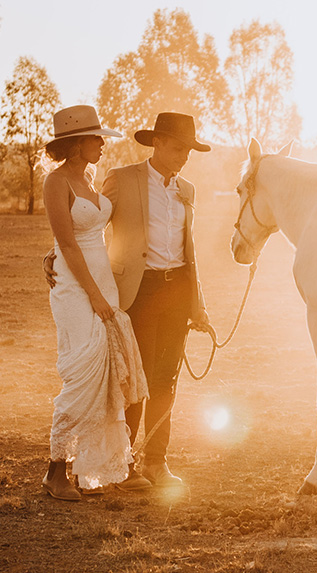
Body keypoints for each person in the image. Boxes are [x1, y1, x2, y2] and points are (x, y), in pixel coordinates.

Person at [100, 112, 214, 488]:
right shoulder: (123, 179)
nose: (184, 157)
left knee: (167, 379)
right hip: (140, 290)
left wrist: (197, 306)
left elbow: (189, 250)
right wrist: (56, 255)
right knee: (136, 379)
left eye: (189, 151)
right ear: (158, 143)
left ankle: (155, 462)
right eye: (179, 148)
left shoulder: (188, 191)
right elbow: (86, 224)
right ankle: (122, 464)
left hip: (178, 290)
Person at [40, 105, 147, 503]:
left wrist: (105, 292)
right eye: (96, 138)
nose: (102, 143)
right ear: (77, 142)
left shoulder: (88, 179)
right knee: (83, 374)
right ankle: (55, 470)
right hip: (75, 287)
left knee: (105, 378)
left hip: (101, 281)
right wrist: (94, 295)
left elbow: (83, 234)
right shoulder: (56, 182)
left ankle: (92, 470)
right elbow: (66, 242)